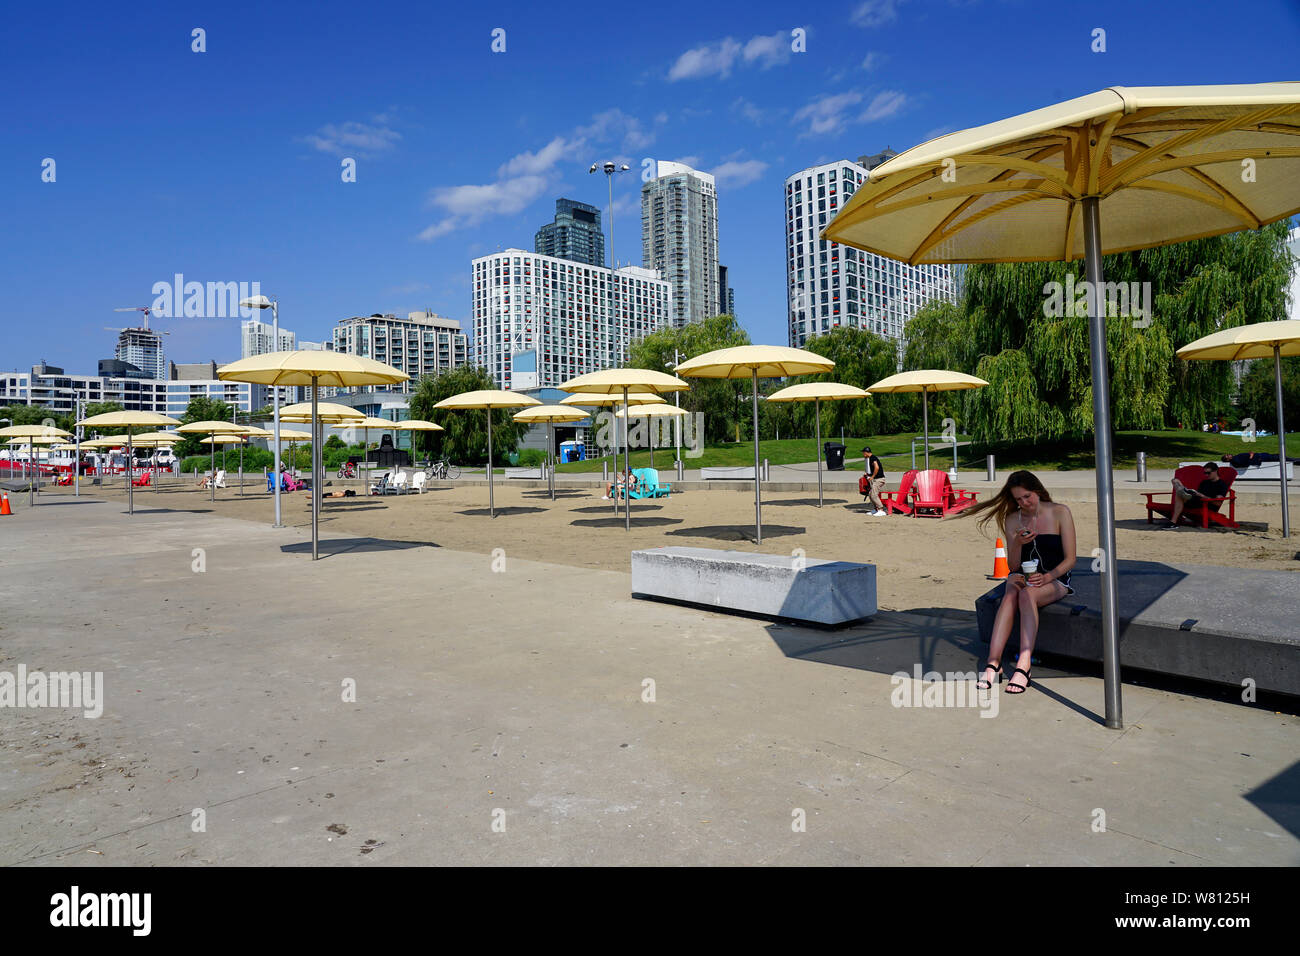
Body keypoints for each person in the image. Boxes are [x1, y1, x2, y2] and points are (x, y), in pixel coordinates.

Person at [955, 470, 1077, 695]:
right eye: (1018, 499)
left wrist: (1047, 577)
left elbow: (1071, 559)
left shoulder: (1060, 512)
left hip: (1055, 577)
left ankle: (1024, 663)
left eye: (1027, 496)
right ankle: (994, 663)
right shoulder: (1013, 518)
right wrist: (1018, 543)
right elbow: (1012, 566)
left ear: (1037, 491)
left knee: (1027, 594)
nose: (1024, 503)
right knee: (1012, 590)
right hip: (1023, 574)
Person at [1161, 461, 1229, 529]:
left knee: (1179, 496)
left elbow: (1217, 503)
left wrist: (1201, 495)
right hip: (1197, 501)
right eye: (1205, 473)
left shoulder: (1222, 485)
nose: (1206, 475)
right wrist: (1194, 493)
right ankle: (1182, 491)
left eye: (1208, 473)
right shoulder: (1204, 482)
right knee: (1175, 480)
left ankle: (1173, 522)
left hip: (1206, 505)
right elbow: (1197, 494)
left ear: (1215, 471)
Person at [861, 446, 887, 517]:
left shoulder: (873, 458)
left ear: (866, 452)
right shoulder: (870, 458)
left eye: (863, 453)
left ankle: (881, 510)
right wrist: (868, 474)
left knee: (873, 494)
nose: (863, 454)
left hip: (879, 479)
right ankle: (876, 509)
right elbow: (873, 469)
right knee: (870, 494)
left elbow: (877, 467)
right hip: (876, 479)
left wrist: (872, 477)